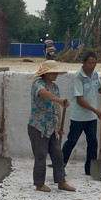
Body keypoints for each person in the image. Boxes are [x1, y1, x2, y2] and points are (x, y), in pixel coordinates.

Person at [28, 60, 76, 193]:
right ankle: (39, 184)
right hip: (37, 127)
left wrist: (59, 126)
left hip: (51, 128)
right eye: (53, 72)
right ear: (46, 73)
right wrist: (59, 100)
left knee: (58, 155)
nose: (56, 74)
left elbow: (57, 108)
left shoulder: (55, 87)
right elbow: (43, 93)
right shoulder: (38, 84)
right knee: (41, 155)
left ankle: (61, 181)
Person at [62, 51, 101, 175]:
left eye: (94, 63)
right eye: (90, 63)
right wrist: (96, 111)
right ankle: (60, 165)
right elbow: (80, 100)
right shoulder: (78, 77)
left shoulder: (95, 74)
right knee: (72, 141)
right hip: (78, 117)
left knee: (93, 142)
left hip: (91, 117)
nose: (92, 65)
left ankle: (90, 169)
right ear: (84, 63)